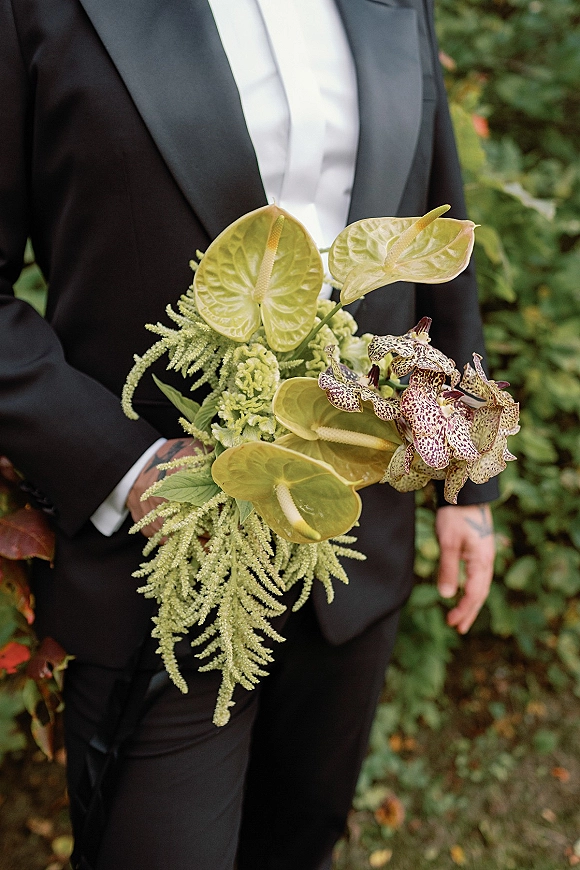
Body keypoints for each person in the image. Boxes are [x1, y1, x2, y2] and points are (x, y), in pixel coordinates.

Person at [0, 0, 497, 867]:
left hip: (354, 547)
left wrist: (467, 480)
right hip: (157, 562)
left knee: (297, 840)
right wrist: (123, 470)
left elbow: (434, 232)